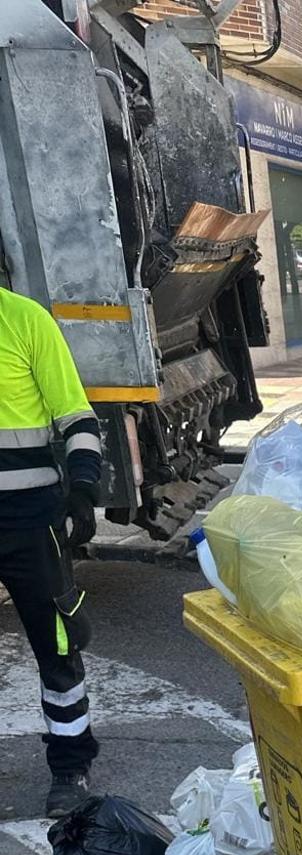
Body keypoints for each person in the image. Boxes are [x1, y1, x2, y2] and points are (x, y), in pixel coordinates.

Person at [0, 285, 102, 816]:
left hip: (29, 519)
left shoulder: (24, 320)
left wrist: (83, 488)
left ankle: (70, 767)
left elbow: (76, 417)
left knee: (58, 646)